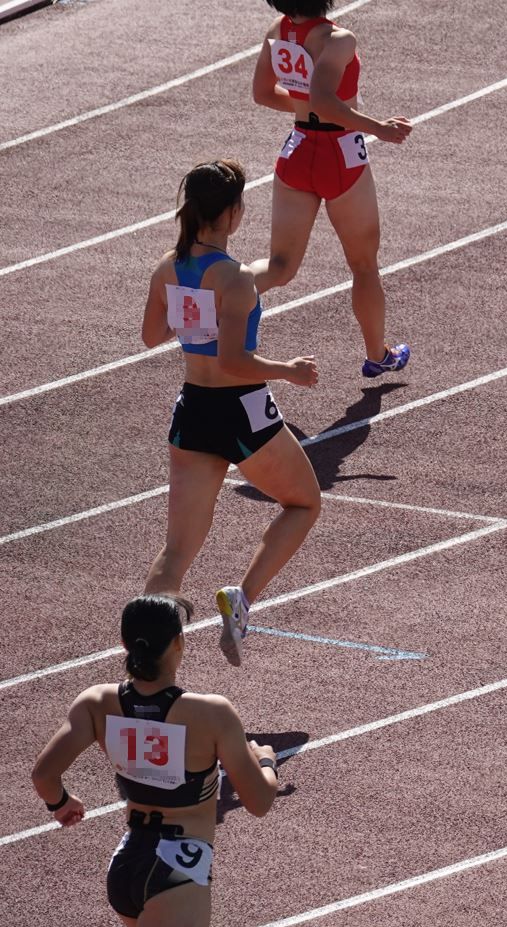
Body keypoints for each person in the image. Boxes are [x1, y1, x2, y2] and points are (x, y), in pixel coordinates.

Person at [31, 595, 280, 927]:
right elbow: (259, 801)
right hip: (176, 877)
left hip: (128, 866)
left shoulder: (97, 703)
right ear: (179, 643)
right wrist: (267, 762)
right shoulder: (211, 713)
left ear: (126, 644)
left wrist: (60, 804)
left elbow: (44, 774)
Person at [141, 159, 321, 667]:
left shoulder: (167, 267)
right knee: (304, 503)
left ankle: (146, 659)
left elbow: (152, 336)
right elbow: (234, 361)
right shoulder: (235, 278)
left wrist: (192, 315)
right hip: (241, 410)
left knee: (176, 553)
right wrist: (288, 370)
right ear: (233, 213)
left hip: (193, 410)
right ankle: (240, 602)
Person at [251, 0, 413, 378]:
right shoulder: (339, 39)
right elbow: (325, 100)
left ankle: (223, 289)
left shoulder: (278, 30)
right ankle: (378, 355)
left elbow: (262, 93)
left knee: (280, 266)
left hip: (297, 147)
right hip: (340, 154)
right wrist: (379, 128)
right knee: (363, 265)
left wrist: (303, 107)